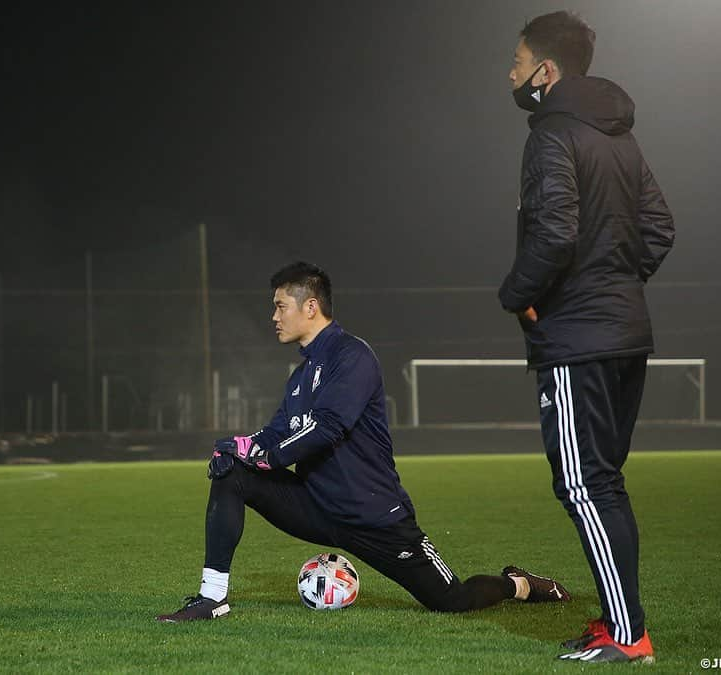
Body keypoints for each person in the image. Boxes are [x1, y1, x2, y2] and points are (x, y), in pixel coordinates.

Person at [158, 261, 570, 622]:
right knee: (232, 474)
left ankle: (518, 584)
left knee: (451, 600)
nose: (274, 316)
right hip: (318, 508)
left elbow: (328, 426)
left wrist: (266, 456)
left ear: (311, 307)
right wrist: (236, 447)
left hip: (375, 518)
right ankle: (213, 598)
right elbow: (276, 432)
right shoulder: (300, 376)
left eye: (280, 306)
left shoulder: (352, 356)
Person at [499, 11, 674, 664]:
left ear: (546, 72)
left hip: (577, 339)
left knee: (583, 484)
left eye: (517, 61)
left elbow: (556, 234)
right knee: (604, 483)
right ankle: (617, 622)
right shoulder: (619, 136)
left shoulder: (552, 134)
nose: (509, 72)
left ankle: (629, 637)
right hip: (628, 332)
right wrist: (616, 290)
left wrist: (518, 295)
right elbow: (659, 227)